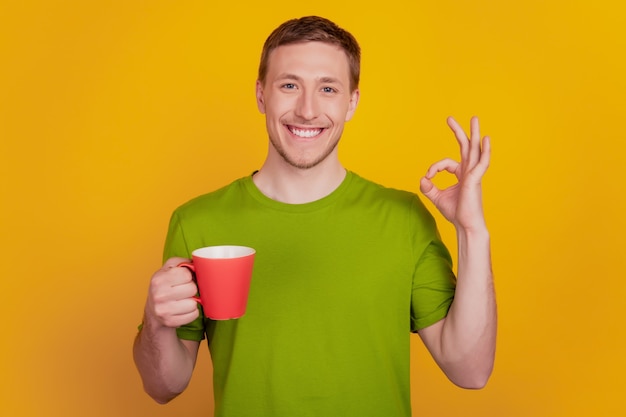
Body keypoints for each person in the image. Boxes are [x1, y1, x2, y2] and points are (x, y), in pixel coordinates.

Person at [133, 15, 496, 417]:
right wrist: (156, 320)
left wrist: (471, 230)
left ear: (352, 102)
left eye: (327, 88)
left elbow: (470, 370)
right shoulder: (197, 221)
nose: (307, 110)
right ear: (261, 95)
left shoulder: (404, 218)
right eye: (289, 85)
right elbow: (163, 385)